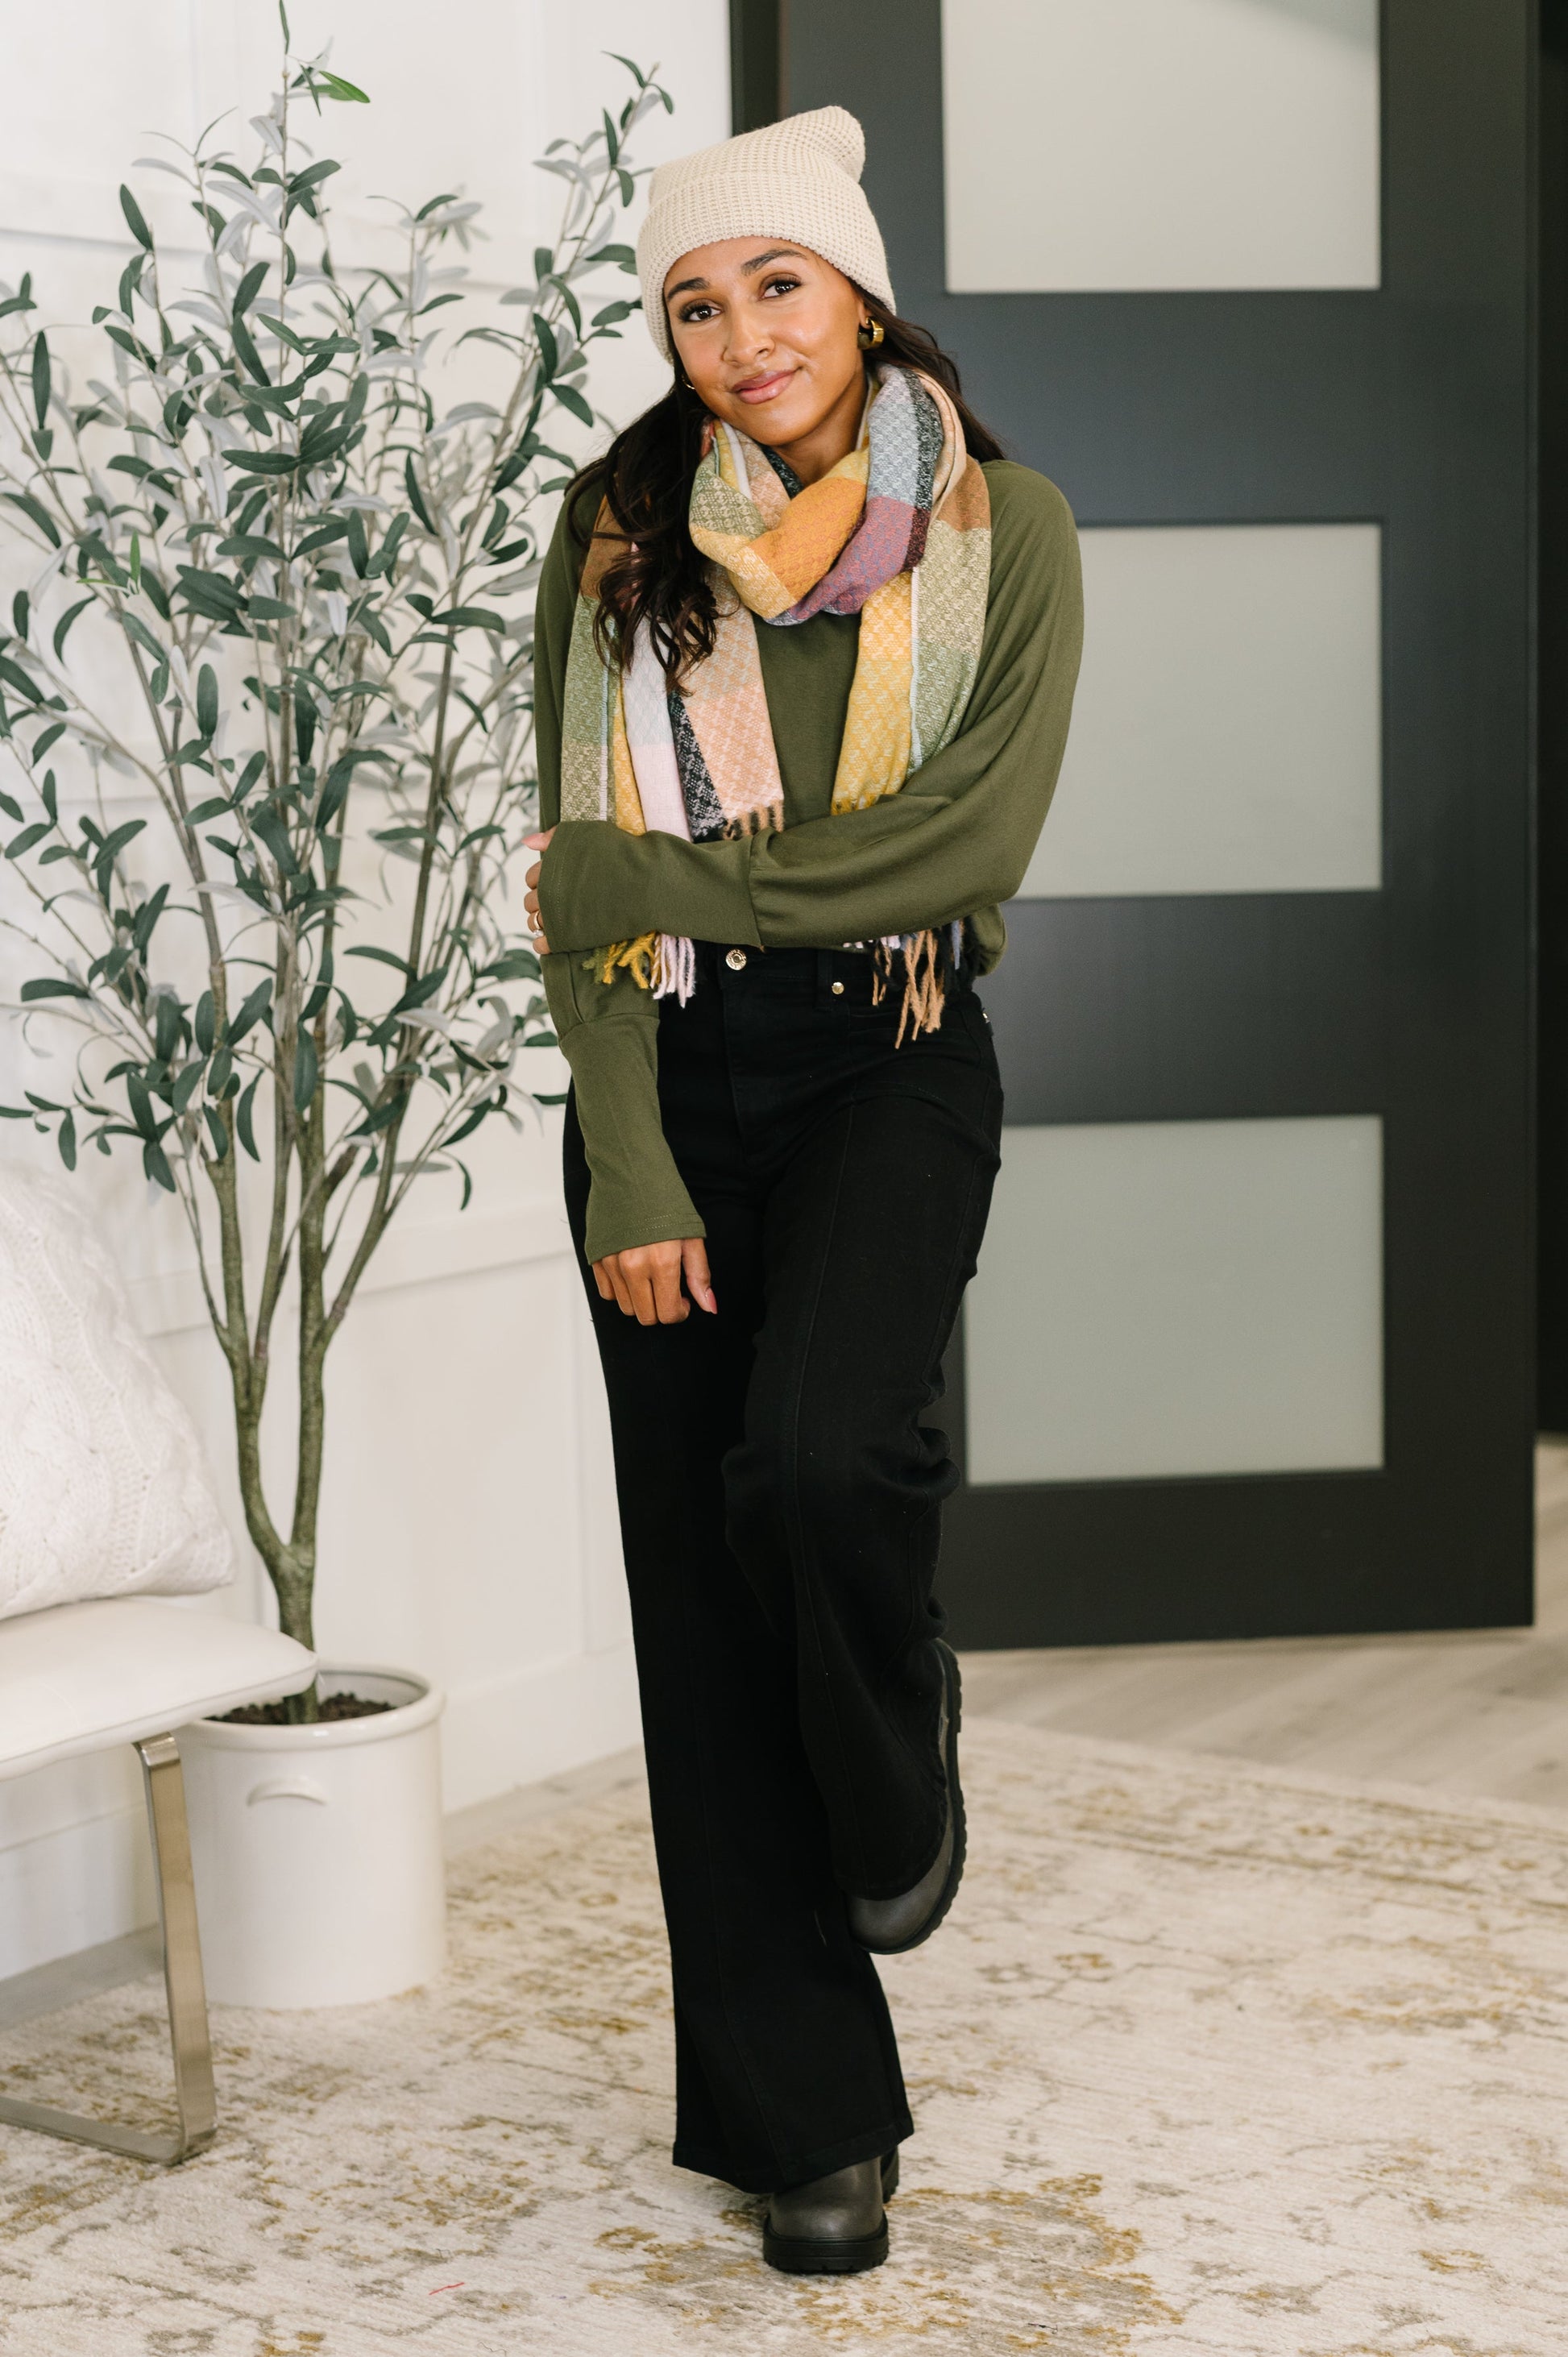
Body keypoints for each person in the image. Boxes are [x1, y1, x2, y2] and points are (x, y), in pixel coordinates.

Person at [524, 106, 1081, 2276]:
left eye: (775, 283)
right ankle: (806, 2125)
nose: (740, 334)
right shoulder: (614, 538)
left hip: (891, 1050)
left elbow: (966, 844)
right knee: (698, 1594)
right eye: (694, 303)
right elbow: (572, 887)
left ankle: (890, 1749)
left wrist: (671, 881)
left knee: (825, 1462)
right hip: (666, 1075)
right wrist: (628, 1159)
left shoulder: (1007, 532)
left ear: (856, 293)